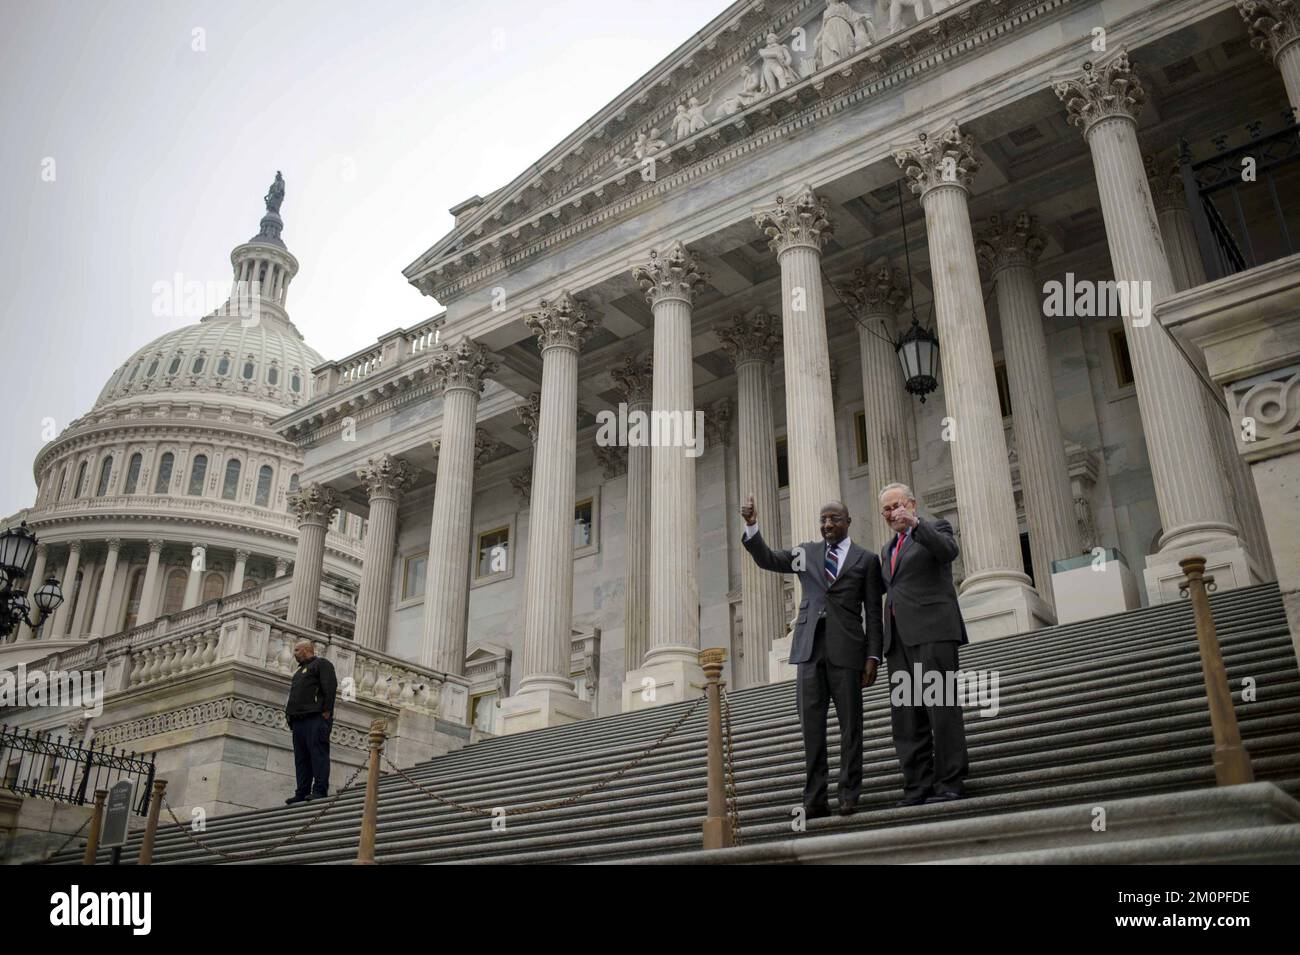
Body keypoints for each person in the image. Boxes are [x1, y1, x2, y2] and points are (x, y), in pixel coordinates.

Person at [740, 495, 883, 818]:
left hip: (847, 651)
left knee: (851, 728)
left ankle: (849, 793)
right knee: (812, 729)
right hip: (808, 650)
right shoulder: (807, 553)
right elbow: (768, 559)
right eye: (823, 520)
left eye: (834, 519)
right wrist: (752, 526)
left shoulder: (866, 560)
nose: (827, 525)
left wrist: (873, 656)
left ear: (848, 522)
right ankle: (815, 798)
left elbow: (874, 612)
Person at [876, 482, 970, 806]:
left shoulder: (935, 529)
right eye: (887, 509)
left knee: (941, 708)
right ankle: (917, 785)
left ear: (912, 505)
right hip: (899, 643)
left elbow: (948, 552)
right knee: (907, 716)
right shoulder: (887, 551)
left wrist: (917, 525)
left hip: (933, 634)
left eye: (897, 505)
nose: (893, 513)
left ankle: (949, 782)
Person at [284, 638, 337, 804]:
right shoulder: (299, 672)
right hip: (298, 720)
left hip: (316, 717)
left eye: (297, 651)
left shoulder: (322, 664)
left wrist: (327, 711)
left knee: (318, 754)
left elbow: (330, 687)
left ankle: (320, 790)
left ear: (307, 650)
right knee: (301, 758)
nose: (294, 654)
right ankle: (302, 791)